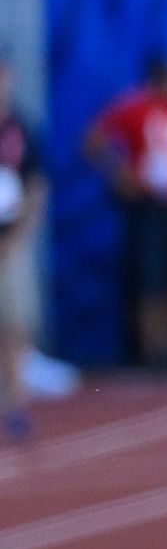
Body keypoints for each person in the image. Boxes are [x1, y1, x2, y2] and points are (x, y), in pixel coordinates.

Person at [87, 52, 167, 369]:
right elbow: (93, 141)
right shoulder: (134, 105)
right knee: (151, 281)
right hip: (148, 205)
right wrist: (120, 174)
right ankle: (155, 353)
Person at [0, 58, 43, 439]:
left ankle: (16, 401)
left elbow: (36, 186)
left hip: (10, 240)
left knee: (14, 323)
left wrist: (18, 238)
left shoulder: (21, 128)